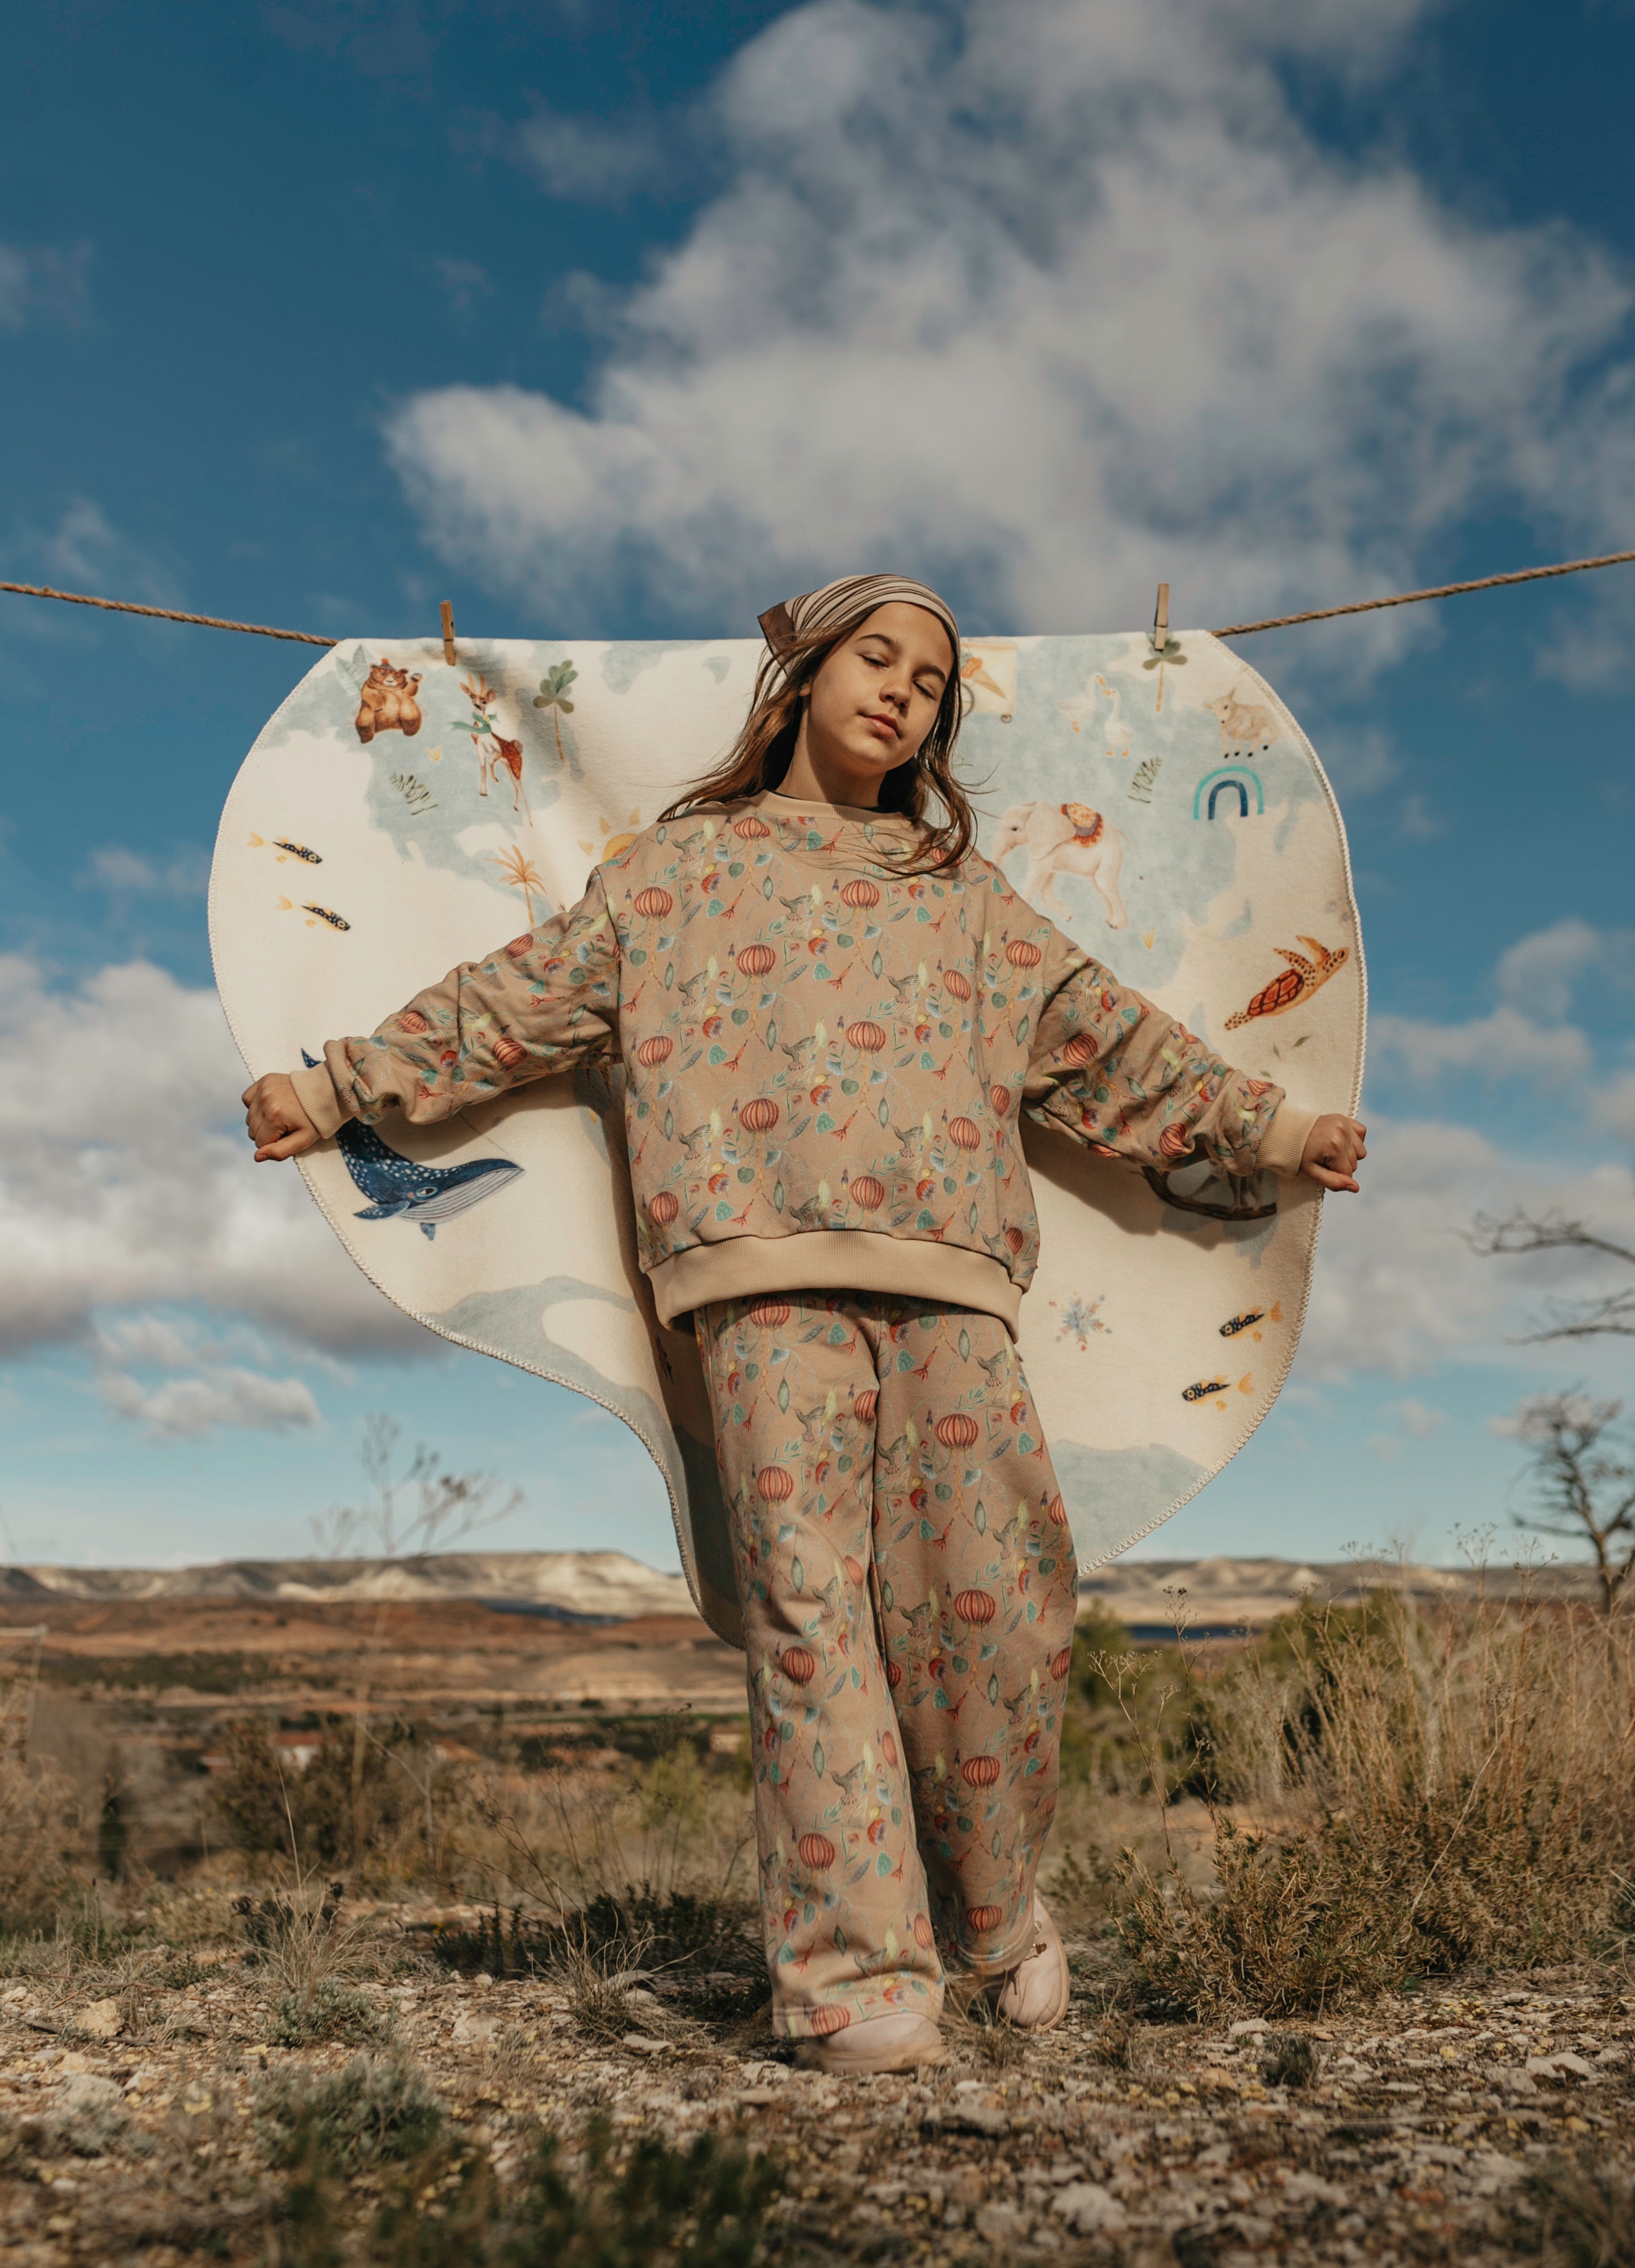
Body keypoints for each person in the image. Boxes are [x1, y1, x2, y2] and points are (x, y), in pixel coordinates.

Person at [243, 573, 1365, 2077]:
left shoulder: (960, 899)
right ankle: (855, 1981)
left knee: (998, 1612)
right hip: (752, 1285)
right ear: (806, 675)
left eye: (930, 682)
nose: (902, 689)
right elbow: (507, 1003)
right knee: (813, 1622)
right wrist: (333, 1086)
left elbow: (1115, 1048)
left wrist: (1278, 1131)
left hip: (958, 1283)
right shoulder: (673, 877)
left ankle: (998, 1910)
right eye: (876, 656)